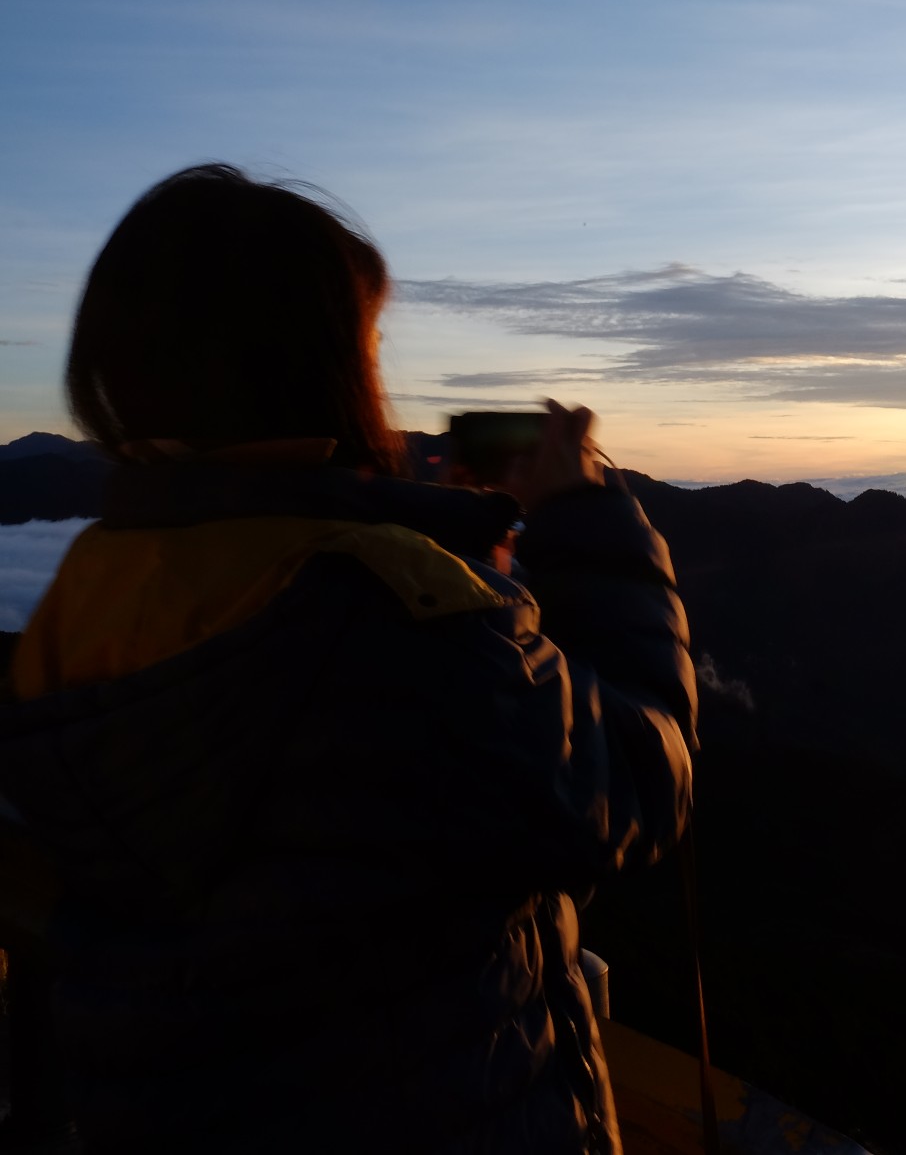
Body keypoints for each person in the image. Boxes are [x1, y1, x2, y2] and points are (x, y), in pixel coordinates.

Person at [0, 165, 695, 1153]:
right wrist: (588, 524)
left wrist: (444, 564)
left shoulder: (92, 584)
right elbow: (634, 781)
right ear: (313, 363)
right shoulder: (386, 615)